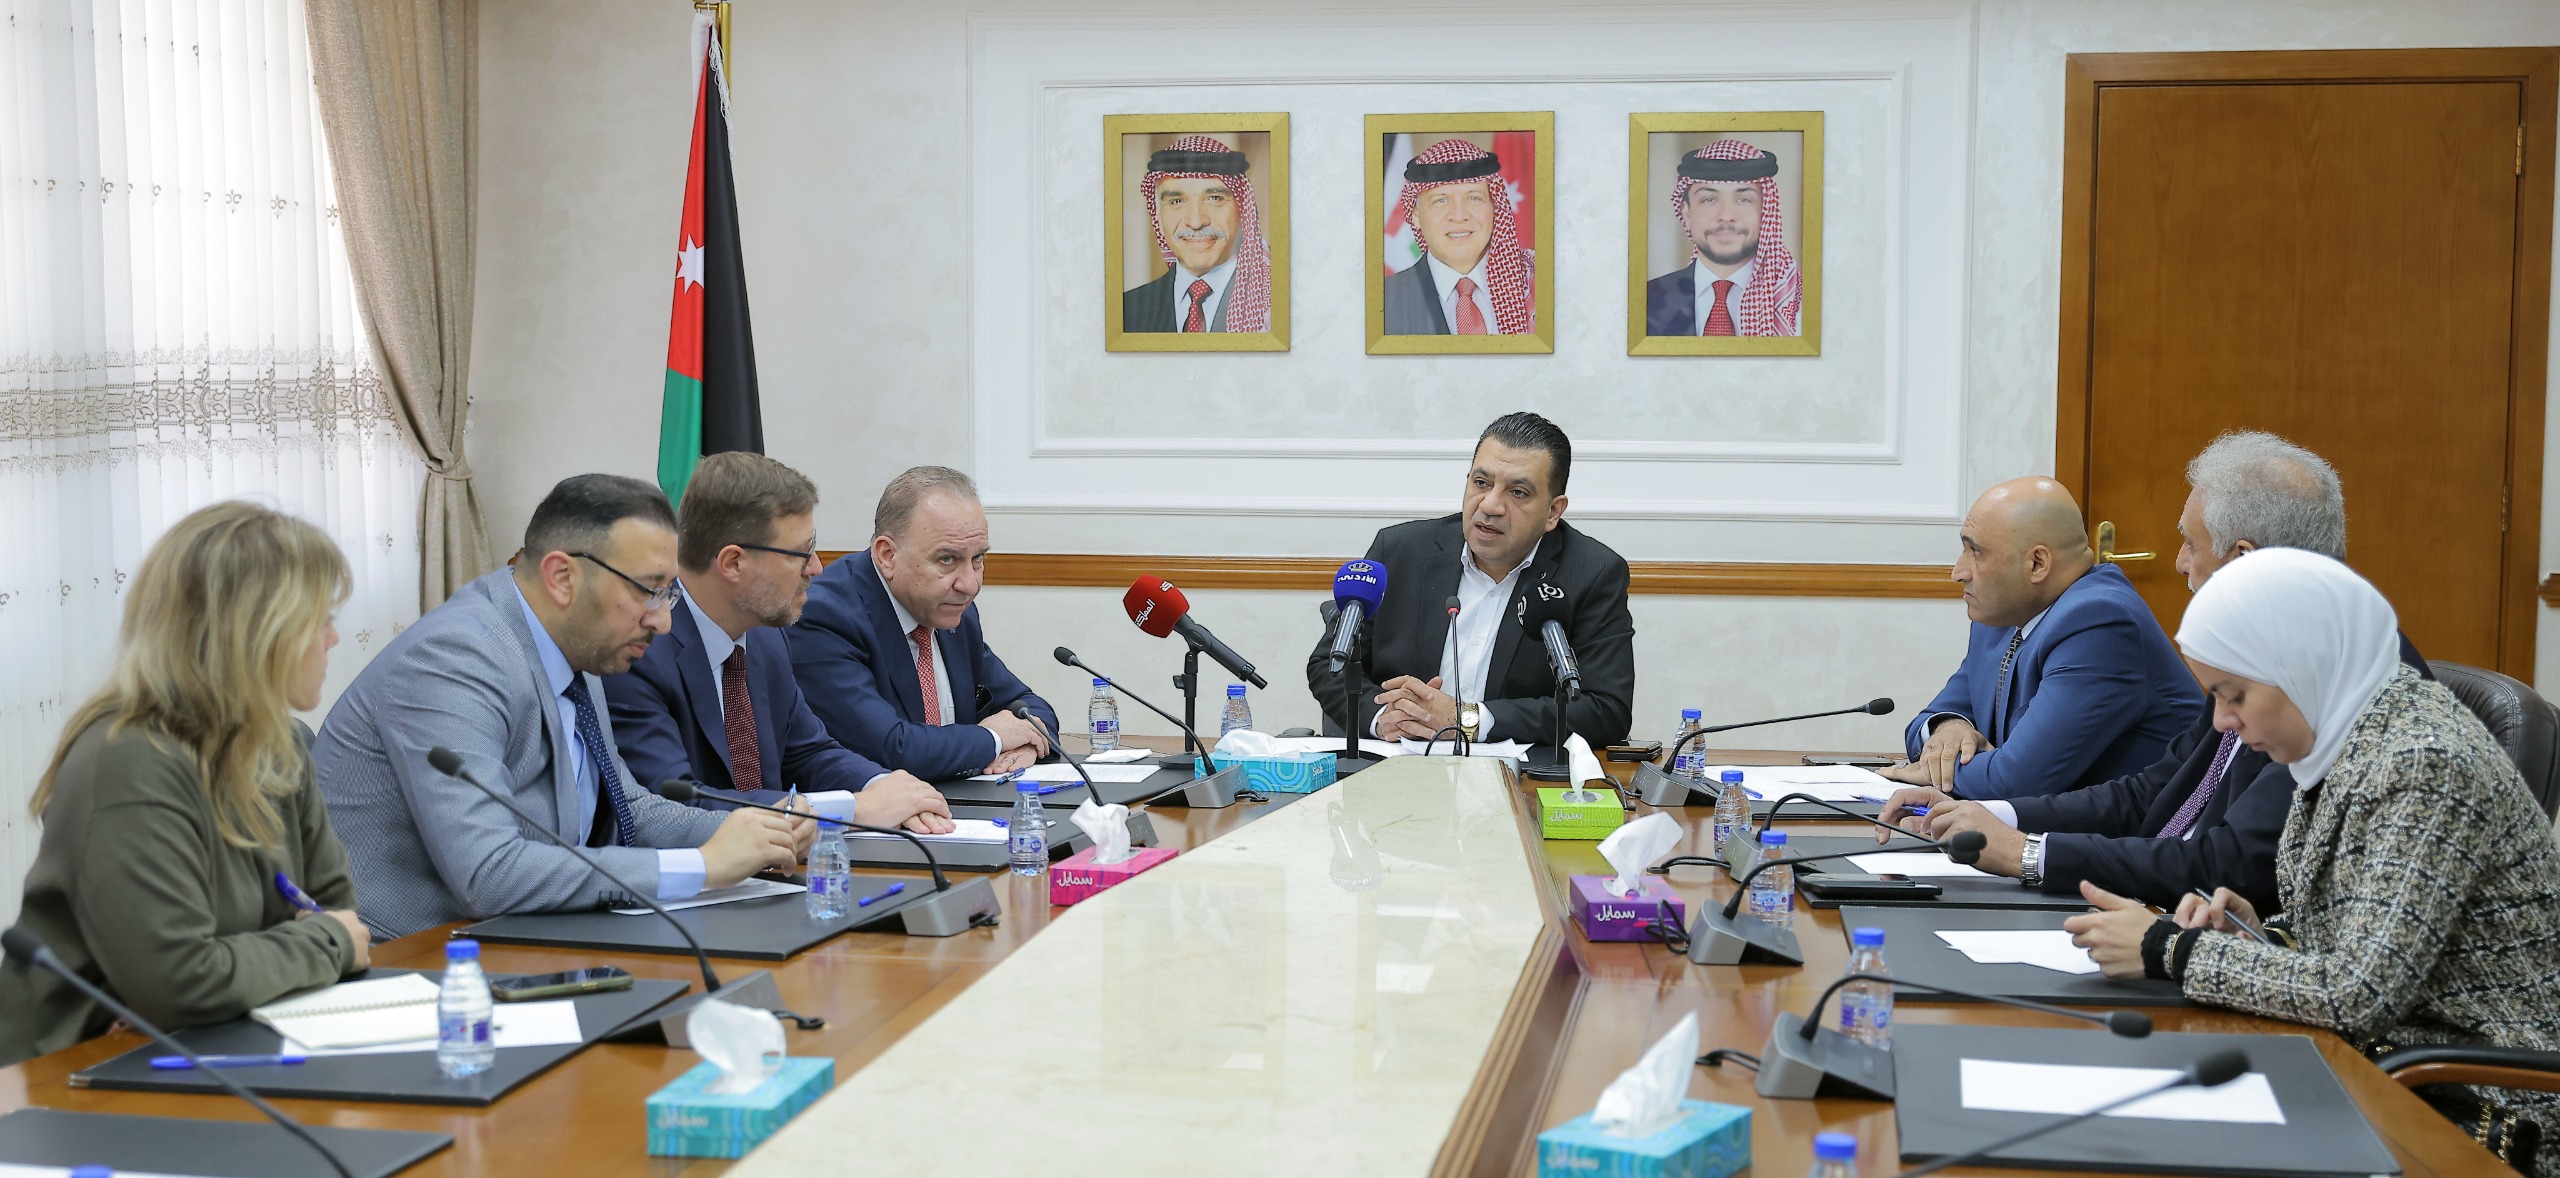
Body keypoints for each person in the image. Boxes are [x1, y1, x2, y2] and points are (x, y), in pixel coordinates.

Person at [2064, 548, 2560, 1174]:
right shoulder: (2346, 733)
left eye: (2234, 695)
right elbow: (2358, 930)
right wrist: (2258, 932)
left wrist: (2169, 948)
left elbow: (2358, 993)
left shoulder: (2424, 763)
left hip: (2474, 1106)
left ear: (2302, 665)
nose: (2223, 721)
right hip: (2377, 1061)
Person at [1879, 433, 2429, 909]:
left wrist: (2028, 854)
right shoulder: (2268, 655)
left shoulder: (2341, 678)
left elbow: (2237, 861)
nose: (2179, 562)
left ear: (2243, 559)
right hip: (2167, 904)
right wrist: (1991, 815)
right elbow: (2150, 793)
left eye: (2189, 543)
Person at [315, 474, 810, 941]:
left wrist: (759, 830)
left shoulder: (576, 644)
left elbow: (629, 810)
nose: (662, 622)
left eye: (669, 595)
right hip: (412, 960)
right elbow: (488, 871)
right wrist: (701, 866)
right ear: (562, 577)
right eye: (648, 590)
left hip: (526, 941)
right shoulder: (454, 659)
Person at [0, 503, 370, 1067]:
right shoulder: (128, 760)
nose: (333, 639)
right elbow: (185, 982)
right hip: (81, 1074)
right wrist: (320, 944)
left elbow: (340, 912)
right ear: (257, 631)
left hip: (228, 1044)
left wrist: (273, 957)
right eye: (320, 620)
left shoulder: (278, 745)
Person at [605, 453, 952, 833]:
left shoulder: (766, 635)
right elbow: (678, 804)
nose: (816, 567)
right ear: (733, 563)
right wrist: (853, 809)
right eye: (800, 553)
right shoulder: (641, 648)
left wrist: (885, 787)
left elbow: (807, 752)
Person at [1306, 412, 1634, 748]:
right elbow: (1329, 665)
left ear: (1552, 512)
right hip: (1398, 762)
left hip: (1513, 772)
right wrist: (1381, 718)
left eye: (1518, 492)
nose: (1490, 505)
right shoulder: (1400, 552)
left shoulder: (1591, 574)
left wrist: (1468, 718)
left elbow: (1606, 709)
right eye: (1481, 483)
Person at [1885, 476, 2200, 800]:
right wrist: (1949, 727)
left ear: (2037, 564)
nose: (1958, 572)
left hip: (2148, 828)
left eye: (1976, 552)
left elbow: (2016, 781)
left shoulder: (2100, 623)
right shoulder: (2003, 615)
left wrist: (1934, 770)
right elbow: (1924, 723)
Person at [788, 467, 1058, 780]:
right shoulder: (824, 615)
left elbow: (1029, 706)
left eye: (978, 559)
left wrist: (1025, 744)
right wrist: (994, 738)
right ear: (887, 555)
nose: (969, 584)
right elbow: (891, 748)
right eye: (947, 559)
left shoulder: (951, 609)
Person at [1644, 140, 1804, 337]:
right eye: (1708, 200)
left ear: (1766, 211)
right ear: (1686, 213)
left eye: (1744, 200)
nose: (1726, 215)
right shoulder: (1645, 301)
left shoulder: (1799, 303)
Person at [1121, 136, 1273, 334]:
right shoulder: (1127, 310)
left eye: (1214, 198)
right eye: (1176, 201)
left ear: (1242, 210)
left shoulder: (1274, 303)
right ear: (1158, 217)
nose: (1195, 222)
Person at [1382, 139, 1535, 335]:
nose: (1459, 215)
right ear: (1416, 217)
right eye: (1441, 200)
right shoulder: (1383, 301)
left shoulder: (1538, 283)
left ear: (1495, 208)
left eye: (1474, 198)